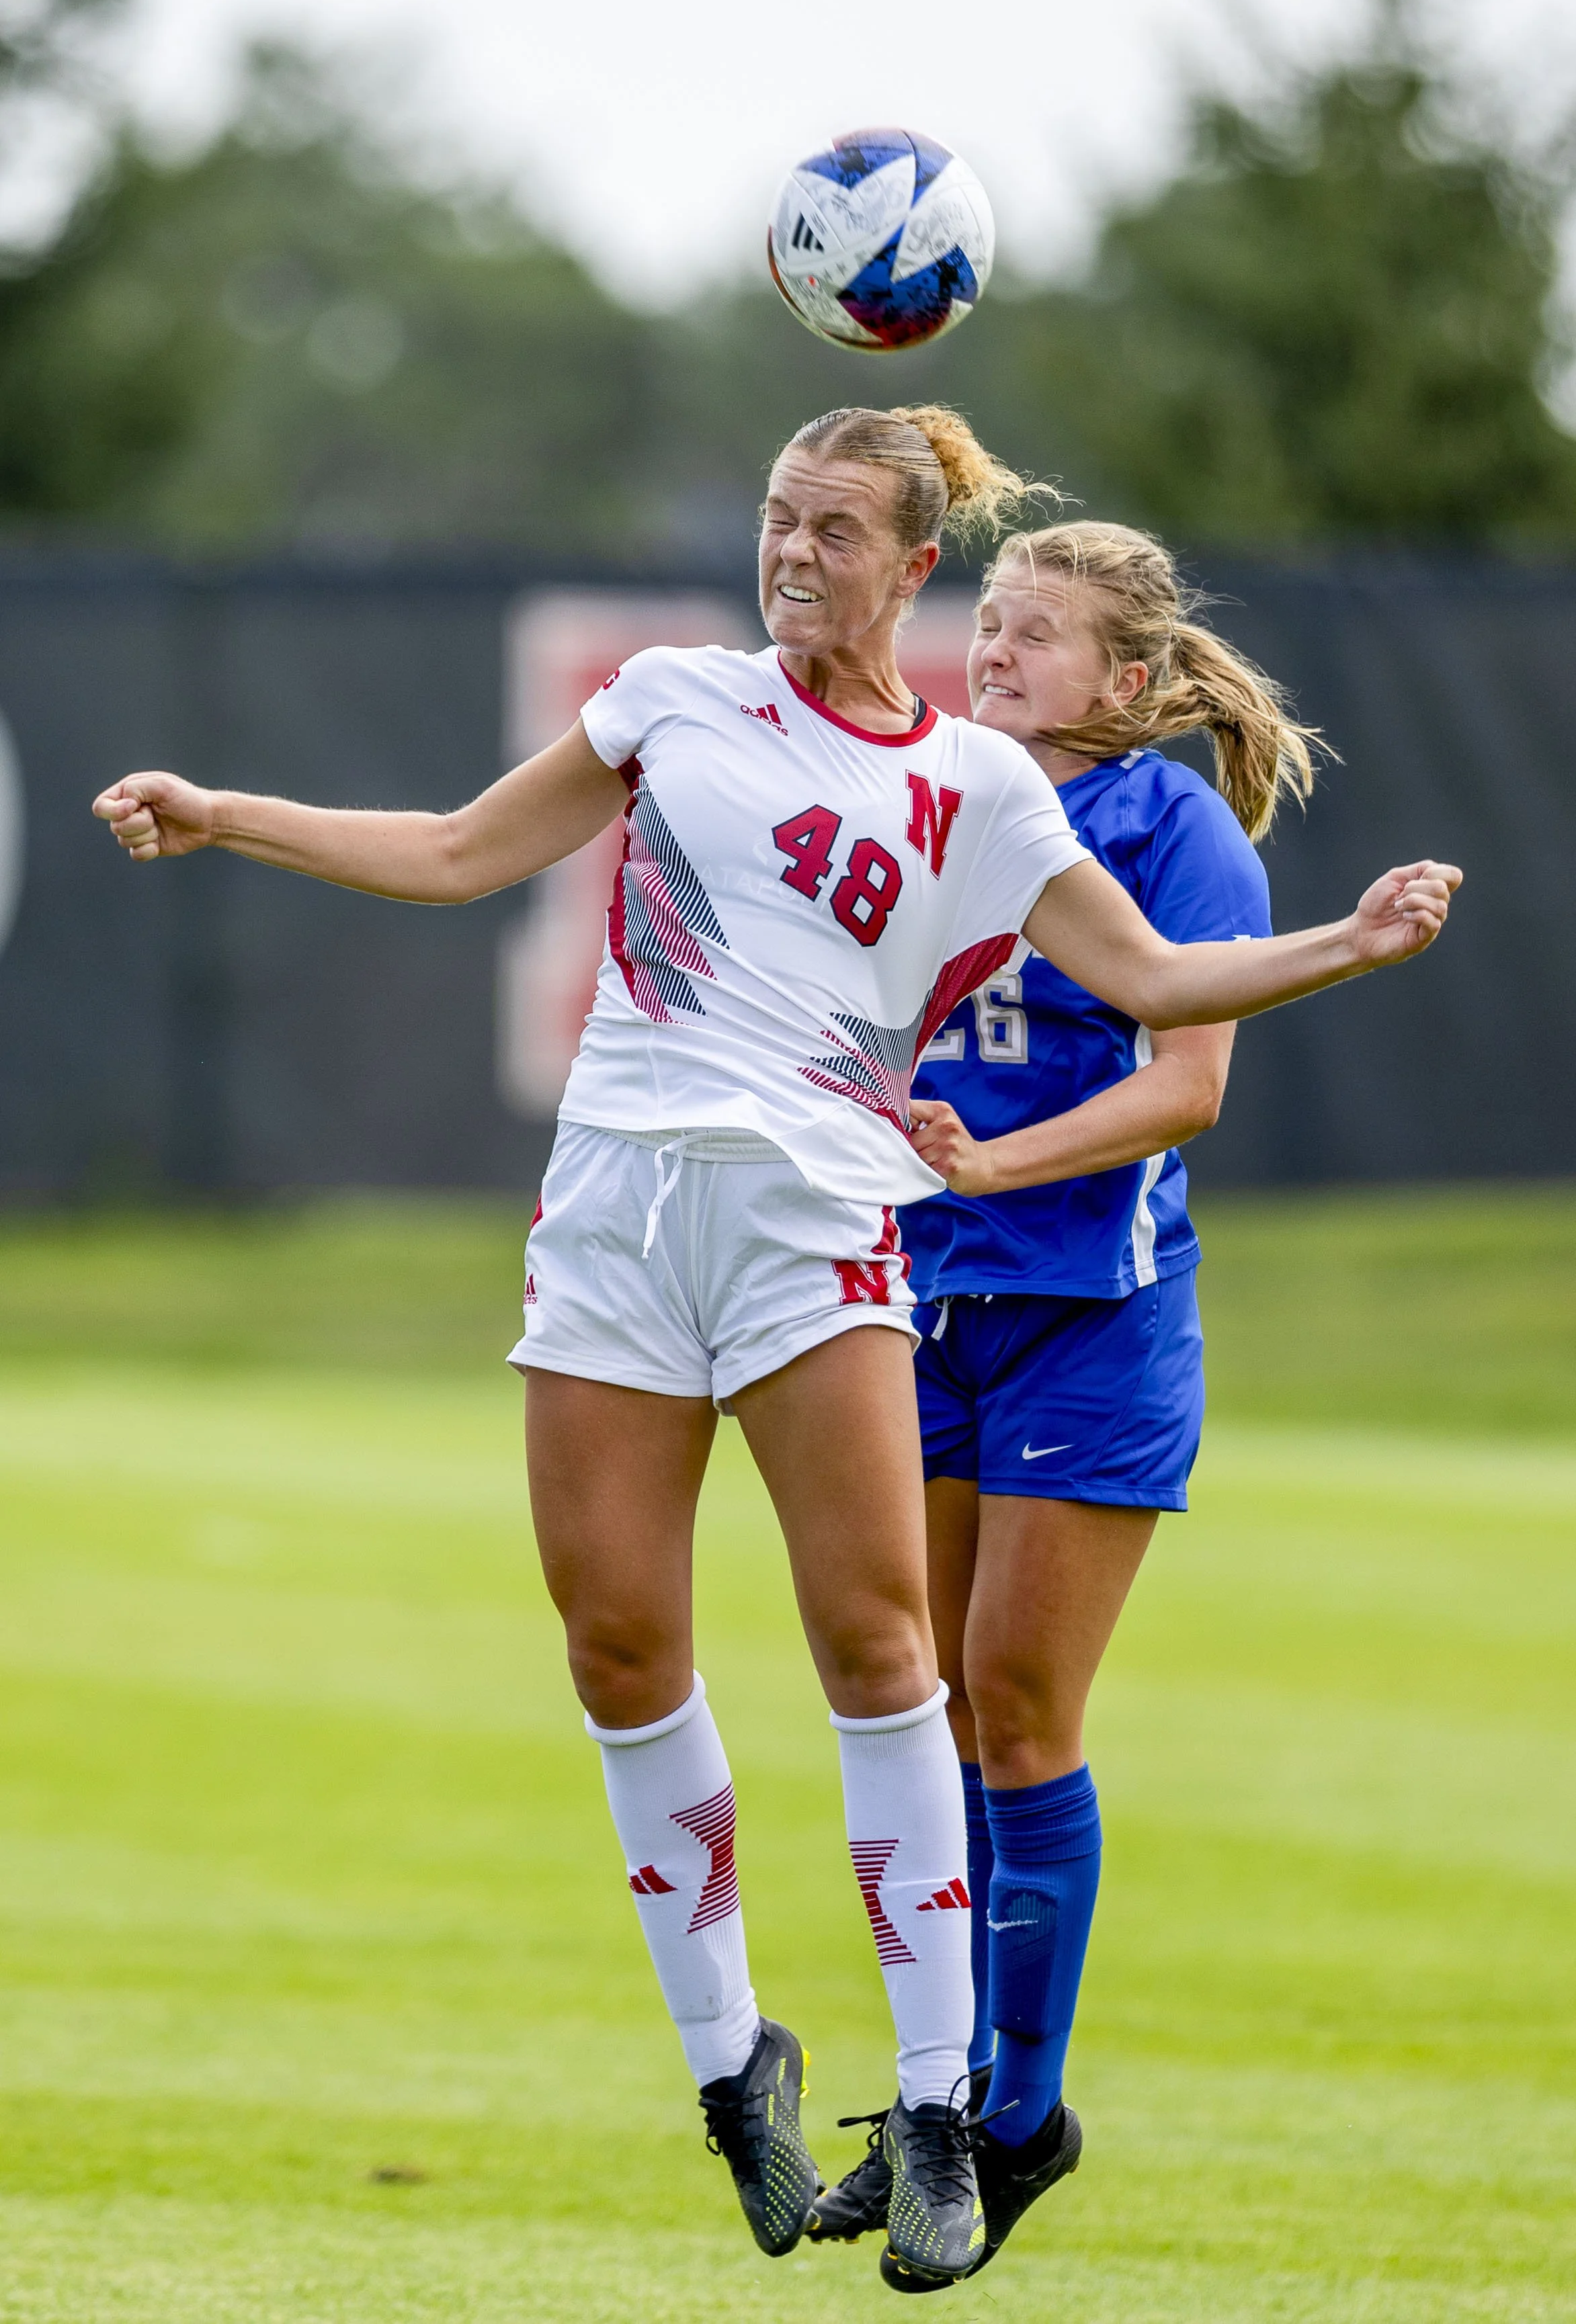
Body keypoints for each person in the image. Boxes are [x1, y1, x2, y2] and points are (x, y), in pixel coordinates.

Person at [92, 408, 1459, 2296]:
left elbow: (1151, 984)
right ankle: (738, 2062)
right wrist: (227, 810)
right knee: (618, 1643)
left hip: (821, 1233)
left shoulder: (980, 781)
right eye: (774, 520)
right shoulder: (674, 698)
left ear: (914, 565)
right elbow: (455, 850)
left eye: (834, 529)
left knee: (887, 1655)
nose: (793, 553)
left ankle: (933, 2114)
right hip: (616, 1227)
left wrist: (1350, 945)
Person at [805, 518, 1327, 2278]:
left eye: (1041, 634)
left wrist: (994, 1155)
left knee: (1019, 1710)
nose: (996, 649)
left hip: (1091, 1318)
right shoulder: (923, 783)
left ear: (1128, 682)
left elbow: (1191, 1082)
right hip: (917, 1300)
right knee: (926, 1712)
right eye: (991, 618)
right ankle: (944, 2103)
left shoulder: (1167, 827)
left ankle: (1023, 2111)